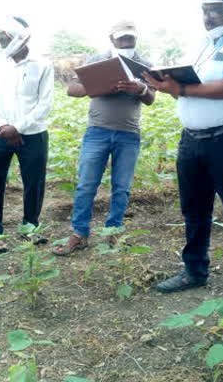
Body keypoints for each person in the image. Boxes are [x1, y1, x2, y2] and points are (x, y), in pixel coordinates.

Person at [144, 0, 223, 324]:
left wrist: (181, 86)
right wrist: (167, 86)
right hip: (192, 141)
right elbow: (192, 91)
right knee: (194, 211)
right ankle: (194, 271)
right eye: (203, 9)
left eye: (213, 9)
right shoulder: (203, 45)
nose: (206, 15)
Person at [53, 20, 155, 255]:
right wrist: (101, 86)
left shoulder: (144, 65)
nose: (126, 42)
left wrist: (139, 89)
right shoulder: (97, 60)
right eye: (122, 38)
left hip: (129, 133)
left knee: (122, 187)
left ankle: (113, 232)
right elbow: (72, 90)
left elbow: (150, 98)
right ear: (112, 39)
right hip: (97, 132)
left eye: (130, 38)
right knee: (86, 185)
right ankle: (79, 234)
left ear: (136, 39)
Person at [0, 17, 54, 253]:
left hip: (32, 135)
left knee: (34, 183)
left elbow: (45, 104)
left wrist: (18, 127)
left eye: (6, 39)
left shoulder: (42, 65)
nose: (3, 44)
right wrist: (4, 126)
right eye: (0, 40)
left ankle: (30, 228)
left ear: (23, 38)